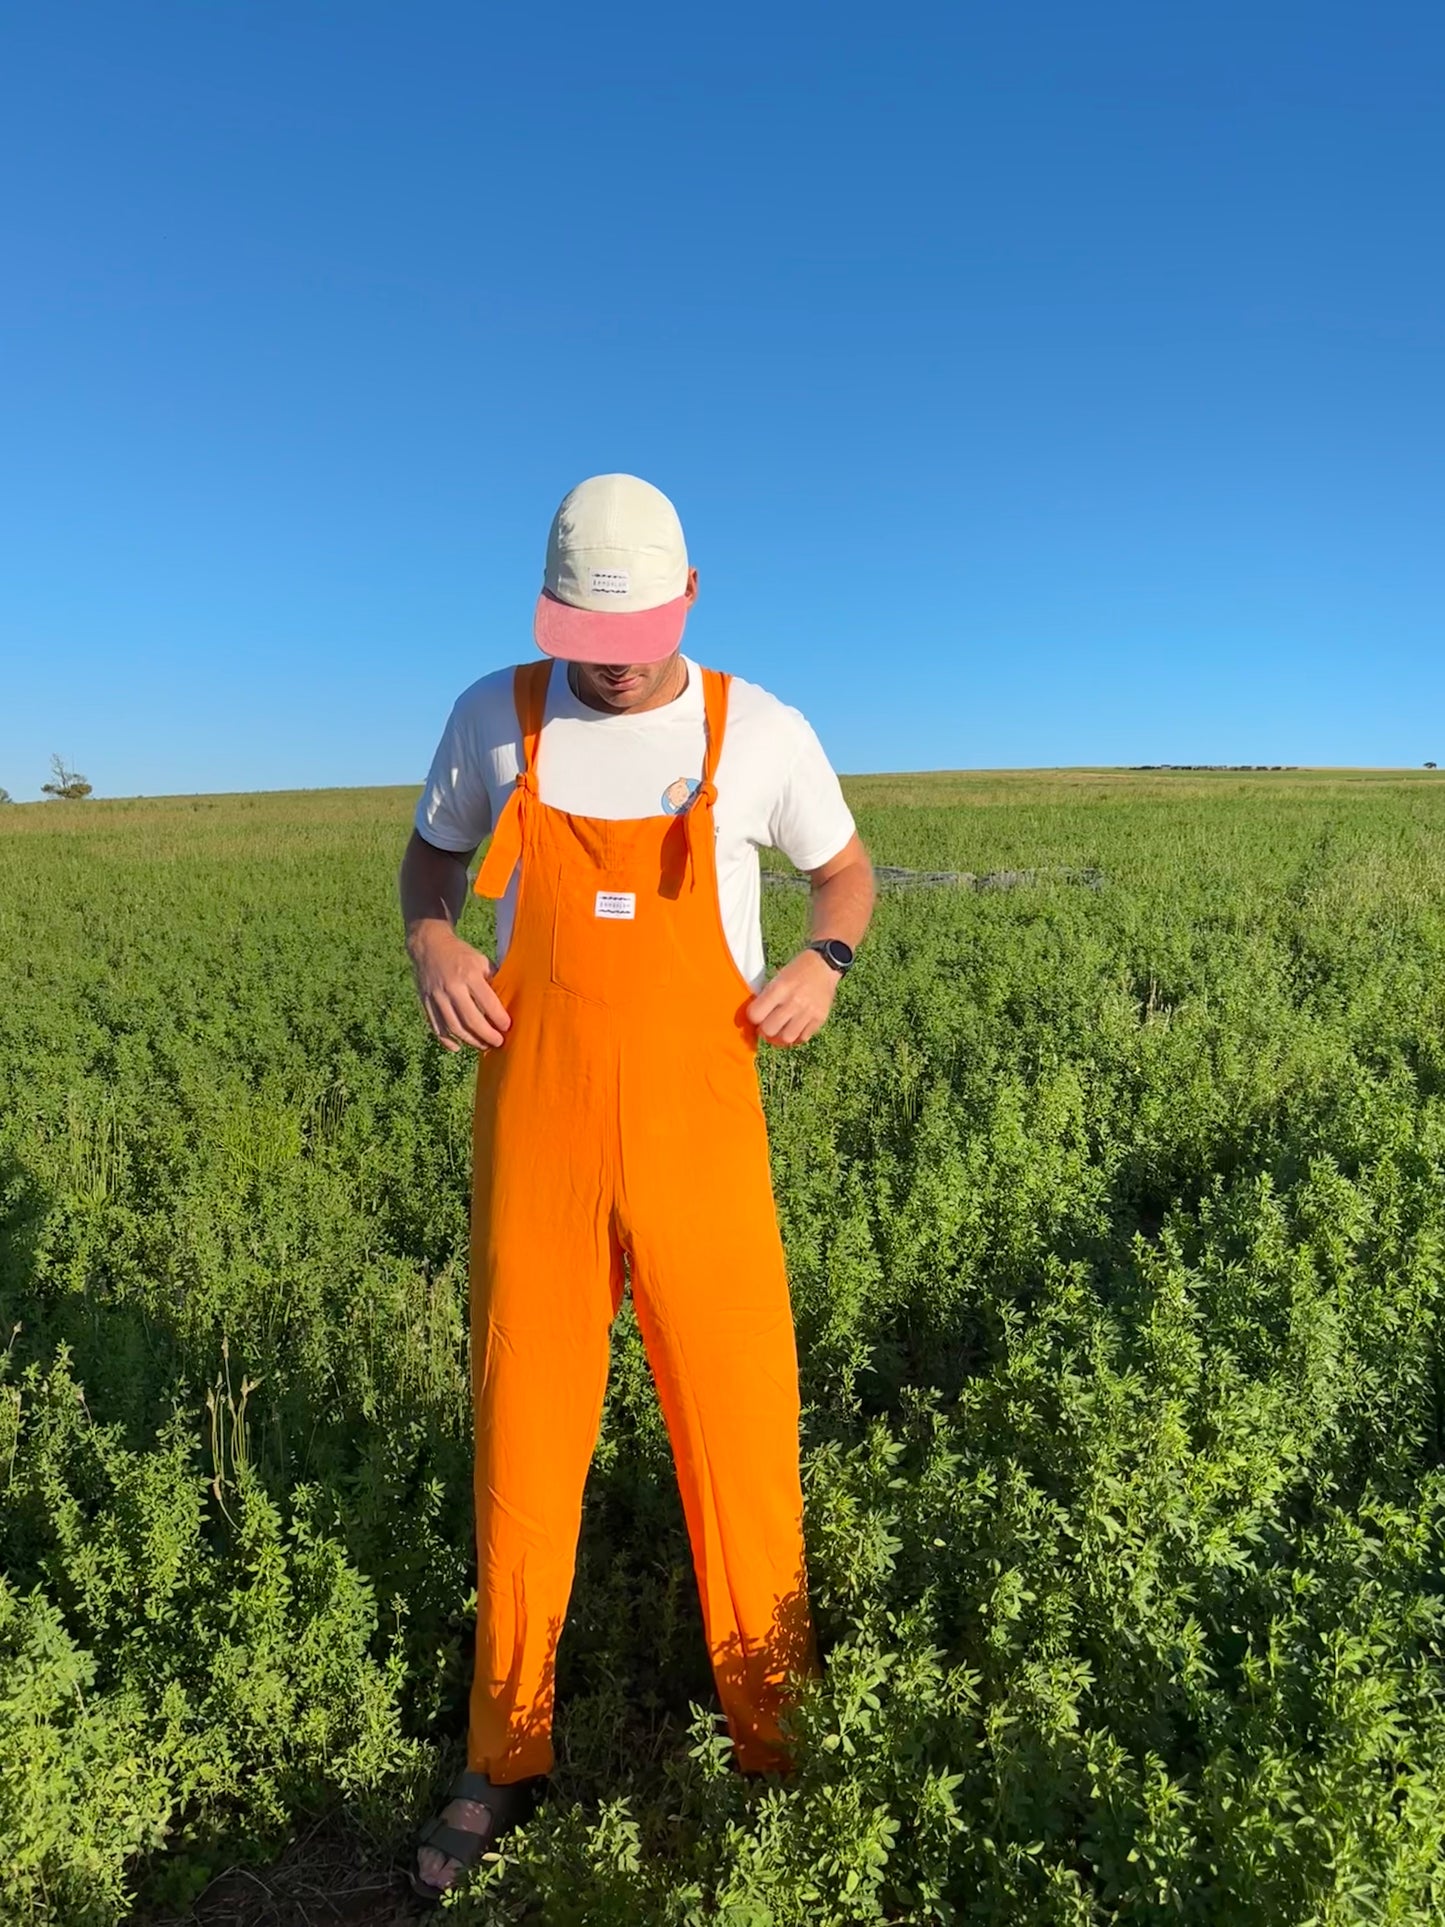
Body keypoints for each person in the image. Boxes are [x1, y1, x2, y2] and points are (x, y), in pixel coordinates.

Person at [398, 473, 875, 1899]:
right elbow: (427, 863)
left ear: (686, 602)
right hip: (532, 1126)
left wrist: (820, 961)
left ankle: (777, 1744)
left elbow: (843, 876)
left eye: (631, 636)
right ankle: (503, 1750)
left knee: (739, 1429)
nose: (604, 664)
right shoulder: (499, 714)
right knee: (526, 1433)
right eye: (580, 637)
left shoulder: (759, 728)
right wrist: (433, 943)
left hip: (699, 1135)